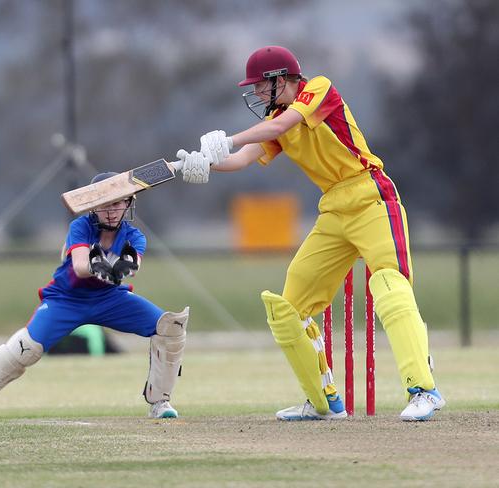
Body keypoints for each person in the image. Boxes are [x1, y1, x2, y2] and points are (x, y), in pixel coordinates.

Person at [176, 45, 444, 421]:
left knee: (389, 286)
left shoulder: (317, 88)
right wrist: (205, 162)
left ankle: (424, 390)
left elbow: (281, 127)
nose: (255, 93)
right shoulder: (274, 116)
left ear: (279, 79)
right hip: (333, 208)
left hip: (371, 195)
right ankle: (324, 403)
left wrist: (229, 139)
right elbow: (245, 157)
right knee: (290, 307)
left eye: (258, 85)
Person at [0, 172, 188, 422]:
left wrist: (127, 265)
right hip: (66, 299)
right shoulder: (80, 227)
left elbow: (134, 264)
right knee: (25, 349)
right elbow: (81, 267)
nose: (111, 211)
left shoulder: (135, 236)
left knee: (170, 328)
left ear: (128, 203)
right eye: (104, 204)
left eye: (117, 202)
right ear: (93, 205)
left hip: (109, 299)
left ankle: (160, 401)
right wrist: (99, 265)